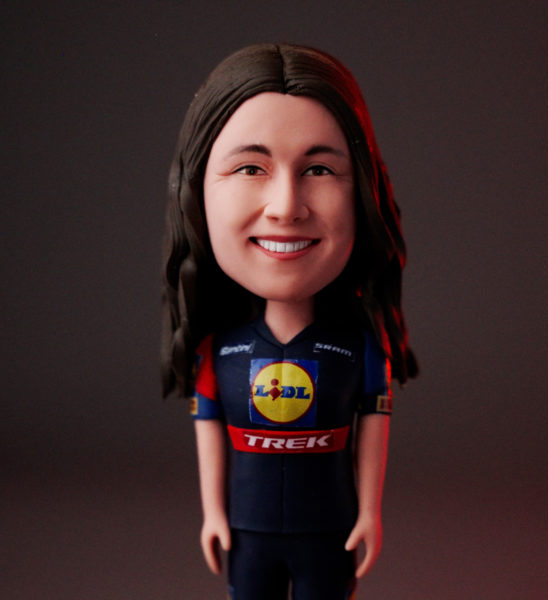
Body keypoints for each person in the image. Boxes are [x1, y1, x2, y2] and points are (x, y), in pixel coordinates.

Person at [161, 43, 417, 600]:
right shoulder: (216, 352)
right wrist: (213, 513)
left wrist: (369, 513)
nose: (285, 205)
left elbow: (373, 425)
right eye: (250, 168)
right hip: (249, 529)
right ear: (195, 190)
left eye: (320, 169)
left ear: (364, 191)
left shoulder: (362, 348)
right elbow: (209, 429)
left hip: (329, 527)